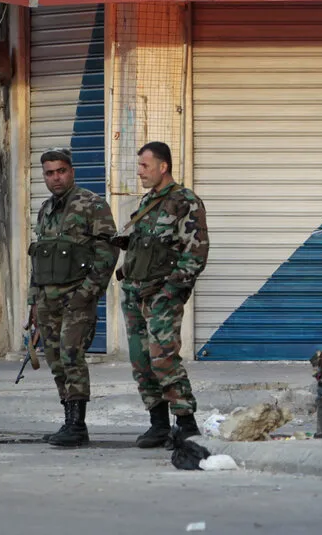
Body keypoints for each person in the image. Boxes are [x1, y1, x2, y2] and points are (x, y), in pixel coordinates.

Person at [119, 141, 210, 449]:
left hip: (162, 295)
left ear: (163, 167)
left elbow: (196, 252)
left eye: (145, 166)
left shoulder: (185, 201)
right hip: (135, 293)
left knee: (164, 360)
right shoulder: (147, 202)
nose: (140, 172)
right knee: (141, 361)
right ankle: (158, 424)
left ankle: (185, 424)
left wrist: (171, 291)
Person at [28, 148, 118, 447]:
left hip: (76, 298)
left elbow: (108, 253)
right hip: (47, 299)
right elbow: (39, 257)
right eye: (49, 173)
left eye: (61, 171)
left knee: (71, 356)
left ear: (72, 171)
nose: (56, 178)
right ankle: (69, 421)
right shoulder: (45, 209)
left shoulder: (92, 205)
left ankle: (78, 426)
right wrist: (33, 300)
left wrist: (86, 293)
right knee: (55, 360)